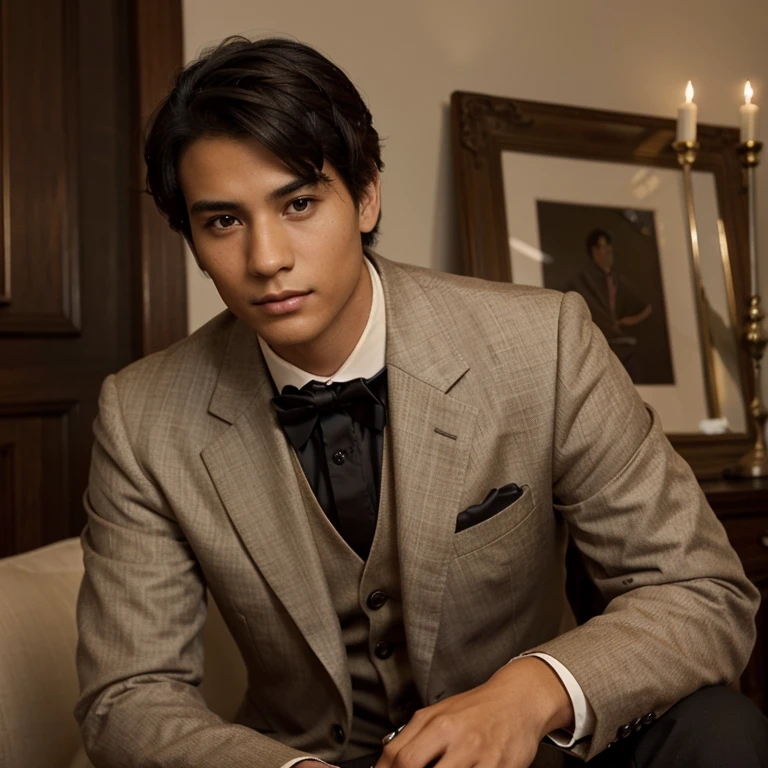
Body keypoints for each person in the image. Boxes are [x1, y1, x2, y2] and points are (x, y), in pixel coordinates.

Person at [73, 36, 767, 768]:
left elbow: (701, 589)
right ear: (191, 236)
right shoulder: (142, 415)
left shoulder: (544, 343)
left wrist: (528, 694)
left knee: (721, 730)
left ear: (367, 193)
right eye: (223, 221)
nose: (267, 258)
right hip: (311, 760)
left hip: (533, 749)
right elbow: (128, 693)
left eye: (300, 202)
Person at [566, 229, 652, 381]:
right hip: (598, 348)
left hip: (623, 347)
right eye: (603, 248)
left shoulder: (616, 280)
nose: (608, 252)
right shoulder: (582, 281)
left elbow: (645, 308)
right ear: (594, 251)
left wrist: (627, 322)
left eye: (609, 248)